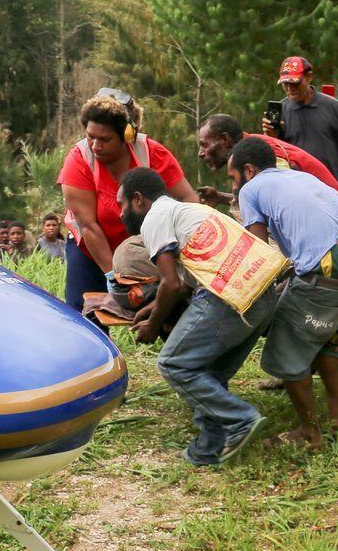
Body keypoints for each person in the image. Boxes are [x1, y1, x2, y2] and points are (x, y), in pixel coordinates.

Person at [119, 168, 281, 465]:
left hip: (228, 292)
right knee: (209, 372)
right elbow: (182, 285)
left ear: (138, 199)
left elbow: (171, 284)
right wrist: (153, 309)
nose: (120, 214)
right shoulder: (191, 210)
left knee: (173, 363)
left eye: (122, 204)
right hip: (263, 292)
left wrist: (153, 326)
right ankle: (208, 448)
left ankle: (241, 418)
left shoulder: (155, 217)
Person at [228, 138, 338, 448]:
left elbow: (258, 250)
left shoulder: (250, 190)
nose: (233, 185)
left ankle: (309, 432)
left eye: (233, 177)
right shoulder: (298, 177)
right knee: (326, 340)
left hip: (332, 263)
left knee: (285, 346)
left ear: (249, 170)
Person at [59, 92, 197, 310]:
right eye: (90, 136)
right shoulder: (79, 159)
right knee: (83, 311)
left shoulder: (151, 153)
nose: (95, 146)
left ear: (127, 136)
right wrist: (113, 276)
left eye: (105, 139)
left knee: (167, 307)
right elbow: (88, 226)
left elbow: (189, 200)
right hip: (90, 247)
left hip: (143, 247)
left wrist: (189, 252)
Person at [195, 114, 338, 208]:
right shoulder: (252, 149)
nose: (200, 153)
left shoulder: (262, 155)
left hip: (337, 222)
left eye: (204, 145)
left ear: (225, 140)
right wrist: (220, 198)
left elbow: (290, 202)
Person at [261, 56, 338, 194]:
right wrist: (271, 136)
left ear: (309, 77)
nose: (290, 88)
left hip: (331, 186)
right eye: (285, 83)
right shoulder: (281, 111)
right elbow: (275, 154)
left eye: (295, 83)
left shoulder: (332, 106)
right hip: (297, 187)